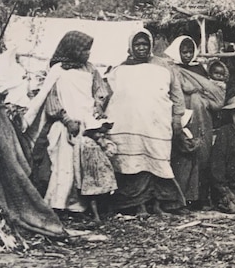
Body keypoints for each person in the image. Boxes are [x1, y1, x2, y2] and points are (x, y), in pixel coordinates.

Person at [23, 30, 110, 213]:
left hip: (87, 123)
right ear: (72, 49)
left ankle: (79, 206)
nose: (87, 54)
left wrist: (98, 106)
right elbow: (52, 99)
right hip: (65, 125)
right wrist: (66, 119)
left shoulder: (90, 69)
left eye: (88, 50)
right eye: (84, 50)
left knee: (84, 165)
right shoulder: (58, 70)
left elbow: (100, 90)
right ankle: (59, 205)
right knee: (64, 165)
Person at [106, 28, 186, 216]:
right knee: (133, 165)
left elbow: (177, 95)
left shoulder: (165, 67)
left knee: (157, 164)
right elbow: (110, 96)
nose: (141, 48)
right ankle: (139, 205)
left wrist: (177, 118)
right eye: (137, 44)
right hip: (130, 126)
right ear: (131, 47)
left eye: (144, 44)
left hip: (156, 125)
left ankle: (158, 204)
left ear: (150, 45)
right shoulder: (119, 69)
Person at [162, 35, 227, 210]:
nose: (188, 54)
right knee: (183, 156)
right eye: (184, 51)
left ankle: (200, 199)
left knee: (203, 156)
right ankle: (181, 199)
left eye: (190, 51)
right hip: (183, 117)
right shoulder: (171, 69)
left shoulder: (199, 69)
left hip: (202, 119)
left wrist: (201, 99)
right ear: (177, 51)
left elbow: (211, 91)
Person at [74, 115, 118, 222]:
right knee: (92, 193)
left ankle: (106, 211)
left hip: (102, 169)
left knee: (105, 189)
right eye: (98, 132)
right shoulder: (85, 141)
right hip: (90, 171)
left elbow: (111, 152)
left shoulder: (102, 141)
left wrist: (103, 144)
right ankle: (95, 215)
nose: (101, 134)